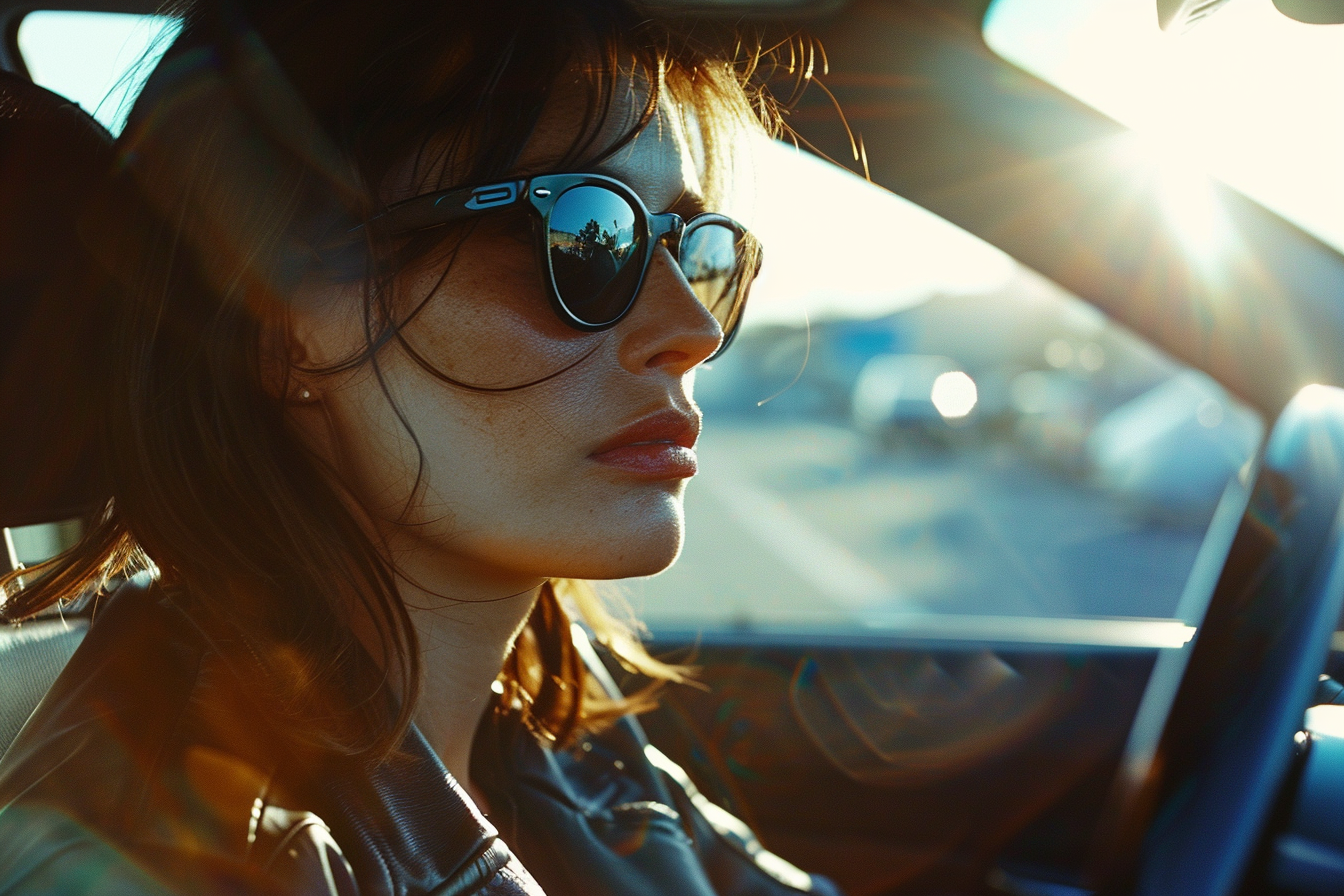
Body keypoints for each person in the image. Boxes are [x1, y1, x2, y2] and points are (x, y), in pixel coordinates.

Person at [0, 1, 844, 894]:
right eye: (588, 238)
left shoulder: (556, 737)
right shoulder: (189, 855)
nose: (692, 329)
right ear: (281, 323)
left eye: (694, 249)